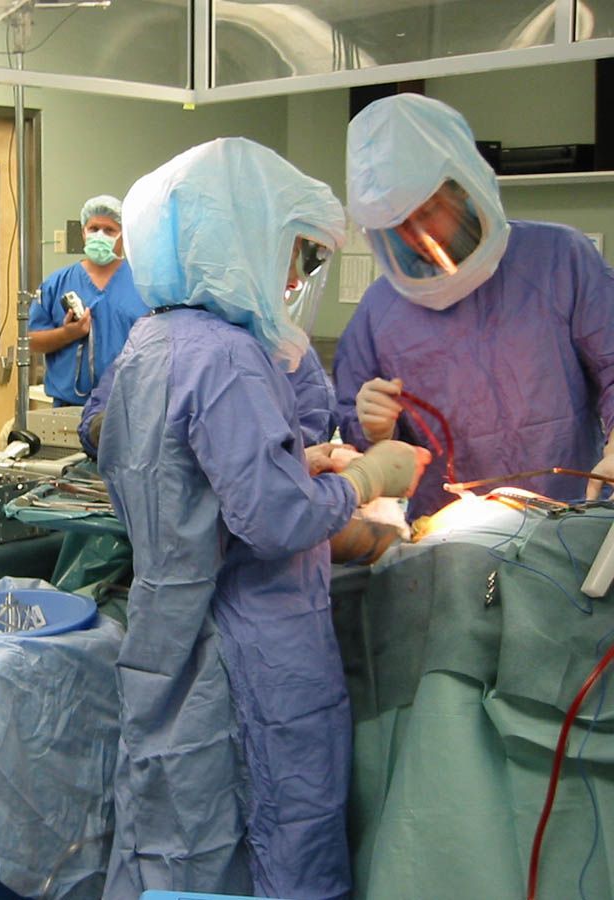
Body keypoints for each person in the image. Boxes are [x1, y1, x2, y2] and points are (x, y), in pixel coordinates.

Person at [93, 137, 430, 900]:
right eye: (287, 249)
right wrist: (370, 474)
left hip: (166, 636)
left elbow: (160, 472)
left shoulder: (150, 342)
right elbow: (277, 524)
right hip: (252, 645)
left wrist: (290, 464)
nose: (291, 276)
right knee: (278, 835)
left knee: (176, 836)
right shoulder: (232, 356)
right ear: (237, 236)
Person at [334, 93, 614, 519]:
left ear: (463, 188)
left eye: (428, 212)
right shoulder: (379, 310)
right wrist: (374, 429)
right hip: (448, 534)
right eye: (398, 226)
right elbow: (357, 439)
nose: (418, 236)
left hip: (565, 519)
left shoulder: (560, 259)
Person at [29, 194, 148, 406]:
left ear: (124, 234)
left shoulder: (144, 284)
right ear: (83, 232)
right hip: (70, 406)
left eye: (109, 230)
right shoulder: (56, 283)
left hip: (130, 405)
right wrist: (68, 334)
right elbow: (32, 341)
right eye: (93, 229)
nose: (100, 235)